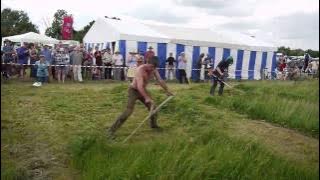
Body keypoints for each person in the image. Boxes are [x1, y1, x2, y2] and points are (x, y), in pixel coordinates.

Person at [108, 56, 173, 137]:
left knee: (154, 108)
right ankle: (111, 131)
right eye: (151, 67)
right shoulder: (140, 70)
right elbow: (139, 87)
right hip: (134, 90)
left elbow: (160, 80)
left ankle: (154, 125)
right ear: (147, 63)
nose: (152, 69)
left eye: (154, 67)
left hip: (143, 90)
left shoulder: (154, 69)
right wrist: (147, 98)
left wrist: (167, 90)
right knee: (128, 111)